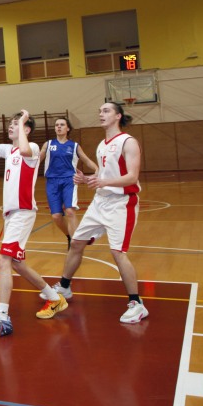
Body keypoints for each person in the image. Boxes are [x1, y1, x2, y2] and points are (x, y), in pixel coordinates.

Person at [0, 99, 69, 338]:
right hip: (11, 215)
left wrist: (24, 121)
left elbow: (25, 150)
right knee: (17, 263)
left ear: (26, 129)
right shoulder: (9, 150)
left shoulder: (32, 148)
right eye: (11, 123)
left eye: (16, 124)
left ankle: (2, 318)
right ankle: (54, 298)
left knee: (3, 260)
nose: (11, 126)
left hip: (23, 212)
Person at [53, 102, 148, 324]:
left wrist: (104, 181)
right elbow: (103, 175)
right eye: (99, 111)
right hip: (100, 202)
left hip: (121, 204)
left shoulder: (128, 142)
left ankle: (137, 304)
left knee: (118, 252)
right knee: (77, 242)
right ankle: (65, 287)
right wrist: (87, 179)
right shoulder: (101, 145)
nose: (101, 114)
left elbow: (132, 177)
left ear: (118, 116)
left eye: (106, 111)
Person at [39, 117, 97, 249]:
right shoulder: (48, 144)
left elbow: (87, 160)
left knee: (70, 211)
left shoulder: (74, 146)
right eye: (57, 125)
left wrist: (97, 170)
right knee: (56, 216)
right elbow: (36, 161)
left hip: (69, 181)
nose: (59, 127)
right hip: (52, 182)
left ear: (68, 128)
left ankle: (76, 244)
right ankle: (70, 236)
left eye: (62, 124)